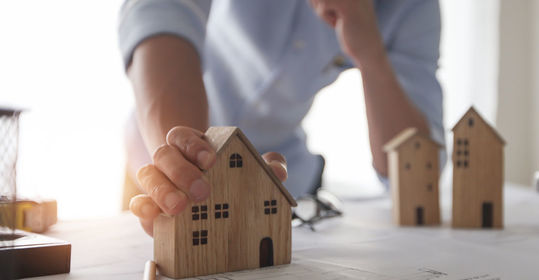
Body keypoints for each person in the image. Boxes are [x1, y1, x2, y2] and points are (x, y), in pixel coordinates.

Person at [119, 0, 444, 236]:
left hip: (279, 178)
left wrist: (370, 52)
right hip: (161, 151)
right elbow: (161, 9)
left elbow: (417, 171)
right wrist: (185, 164)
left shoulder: (414, 8)